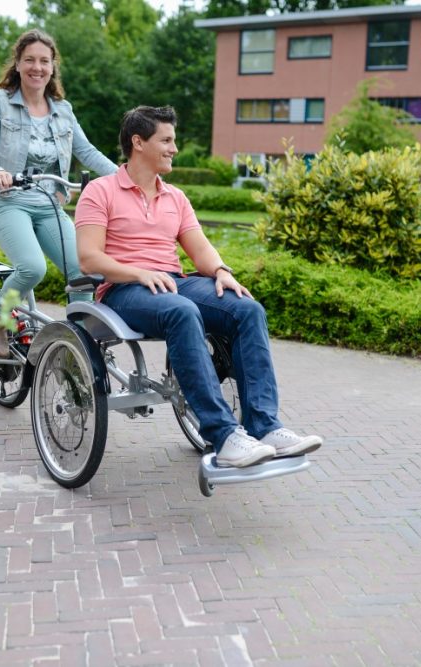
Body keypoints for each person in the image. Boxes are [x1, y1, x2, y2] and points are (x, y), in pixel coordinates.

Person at [74, 105, 322, 468]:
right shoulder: (100, 191)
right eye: (167, 140)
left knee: (247, 309)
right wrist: (138, 273)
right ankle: (224, 436)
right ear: (138, 142)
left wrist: (222, 271)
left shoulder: (175, 197)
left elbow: (200, 249)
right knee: (182, 310)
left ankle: (265, 426)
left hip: (173, 282)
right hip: (124, 289)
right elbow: (89, 259)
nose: (174, 148)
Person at [0, 29, 117, 358]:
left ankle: (80, 342)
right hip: (7, 203)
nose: (37, 67)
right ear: (18, 65)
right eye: (30, 60)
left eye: (44, 61)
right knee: (32, 268)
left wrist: (127, 177)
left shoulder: (62, 110)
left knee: (84, 270)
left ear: (53, 67)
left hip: (49, 203)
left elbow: (87, 152)